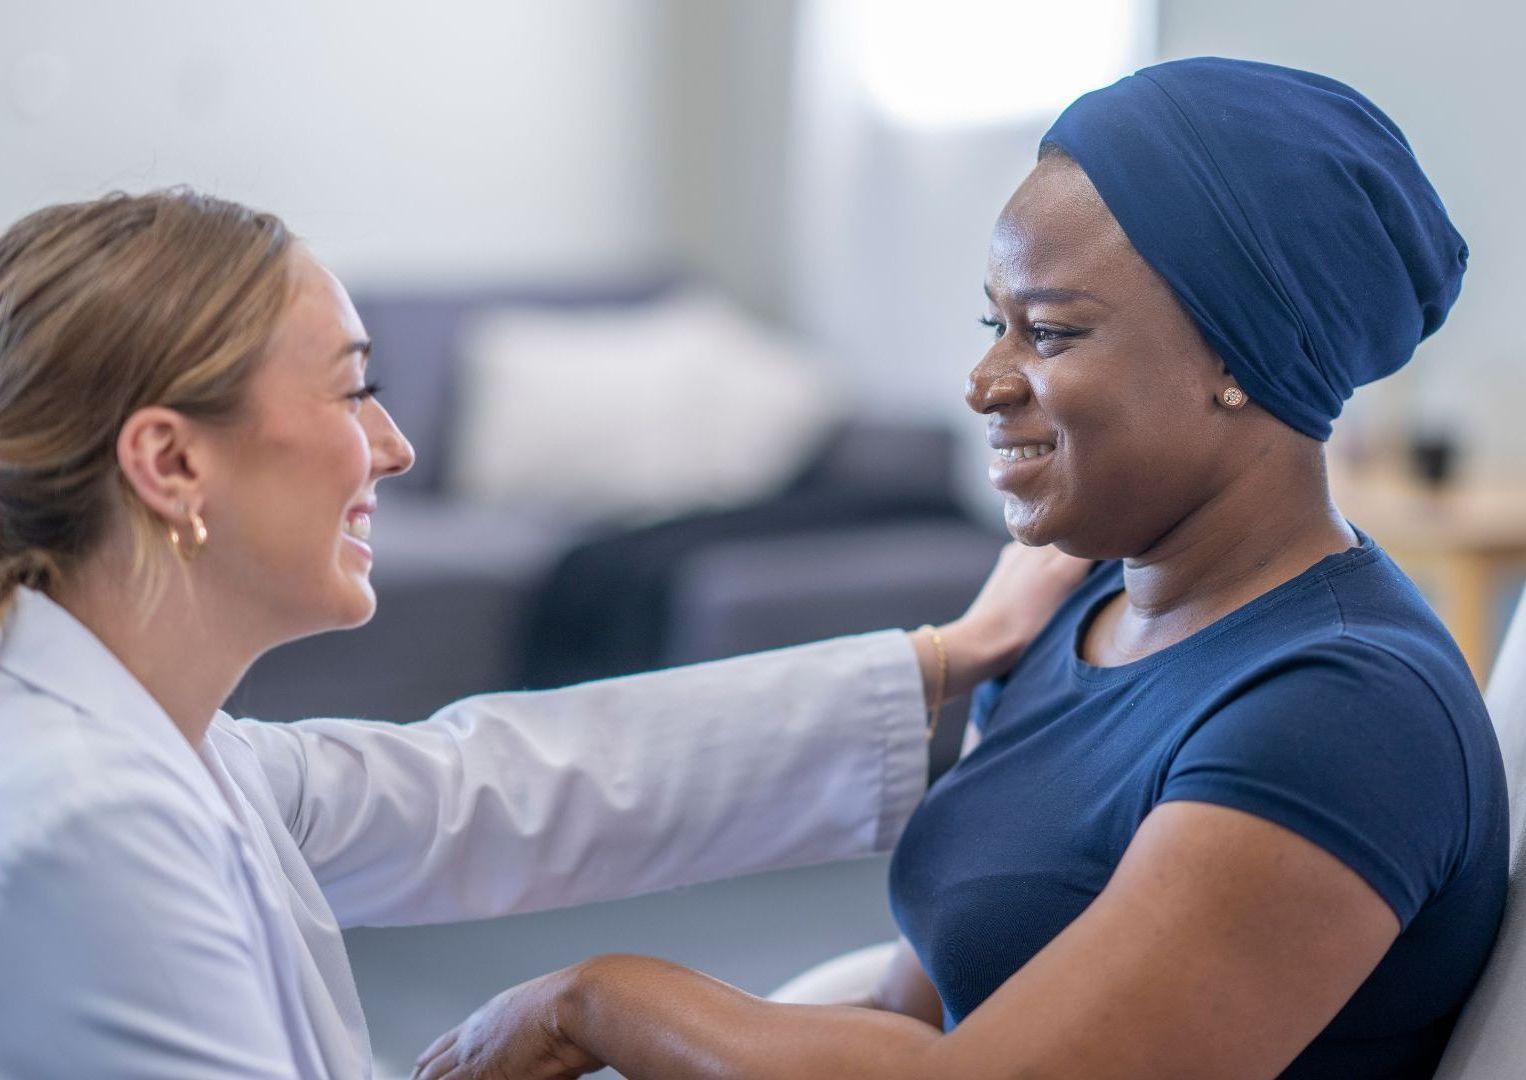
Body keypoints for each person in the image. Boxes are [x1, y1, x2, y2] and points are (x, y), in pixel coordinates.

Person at [411, 58, 1510, 1080]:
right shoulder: (1073, 615)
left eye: (1050, 333)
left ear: (1239, 358)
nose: (984, 381)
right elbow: (913, 1020)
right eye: (994, 323)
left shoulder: (1337, 708)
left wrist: (594, 1001)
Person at [0, 190, 1090, 1078]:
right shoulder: (89, 826)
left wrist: (952, 653)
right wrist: (606, 1007)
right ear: (171, 462)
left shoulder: (170, 750)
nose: (393, 447)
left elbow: (503, 784)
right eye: (352, 392)